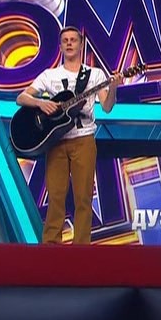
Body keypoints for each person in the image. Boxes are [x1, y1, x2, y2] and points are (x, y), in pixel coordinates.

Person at [17, 26, 122, 245]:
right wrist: (40, 103)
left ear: (81, 44)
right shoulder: (50, 75)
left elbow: (107, 107)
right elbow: (21, 98)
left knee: (83, 197)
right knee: (55, 196)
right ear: (60, 46)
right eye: (65, 40)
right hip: (56, 141)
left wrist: (113, 88)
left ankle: (81, 247)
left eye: (73, 40)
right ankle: (50, 245)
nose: (69, 43)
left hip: (84, 139)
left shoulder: (95, 74)